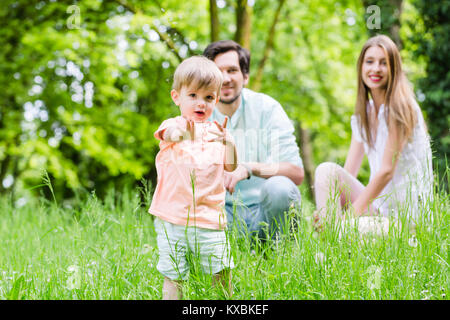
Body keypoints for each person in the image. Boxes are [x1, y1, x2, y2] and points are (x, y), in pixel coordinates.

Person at [313, 35, 433, 232]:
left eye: (383, 63)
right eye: (370, 62)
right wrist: (329, 212)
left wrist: (348, 216)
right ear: (361, 67)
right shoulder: (365, 114)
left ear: (394, 69)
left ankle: (332, 239)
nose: (375, 68)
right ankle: (331, 236)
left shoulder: (401, 106)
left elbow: (387, 171)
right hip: (379, 209)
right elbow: (347, 172)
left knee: (345, 230)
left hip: (406, 219)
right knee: (326, 171)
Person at [148, 56, 238, 300]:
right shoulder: (174, 124)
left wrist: (229, 143)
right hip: (173, 218)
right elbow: (169, 134)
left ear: (216, 100)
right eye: (193, 96)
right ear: (177, 97)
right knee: (174, 275)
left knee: (221, 272)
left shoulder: (217, 132)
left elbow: (230, 166)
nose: (201, 103)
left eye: (208, 97)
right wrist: (182, 133)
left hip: (210, 218)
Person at [203, 40, 304, 241]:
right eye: (217, 71)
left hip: (263, 215)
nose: (225, 78)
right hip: (220, 219)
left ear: (245, 76)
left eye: (232, 70)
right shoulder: (198, 114)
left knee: (279, 188)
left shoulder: (268, 109)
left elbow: (295, 172)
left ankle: (281, 256)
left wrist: (249, 168)